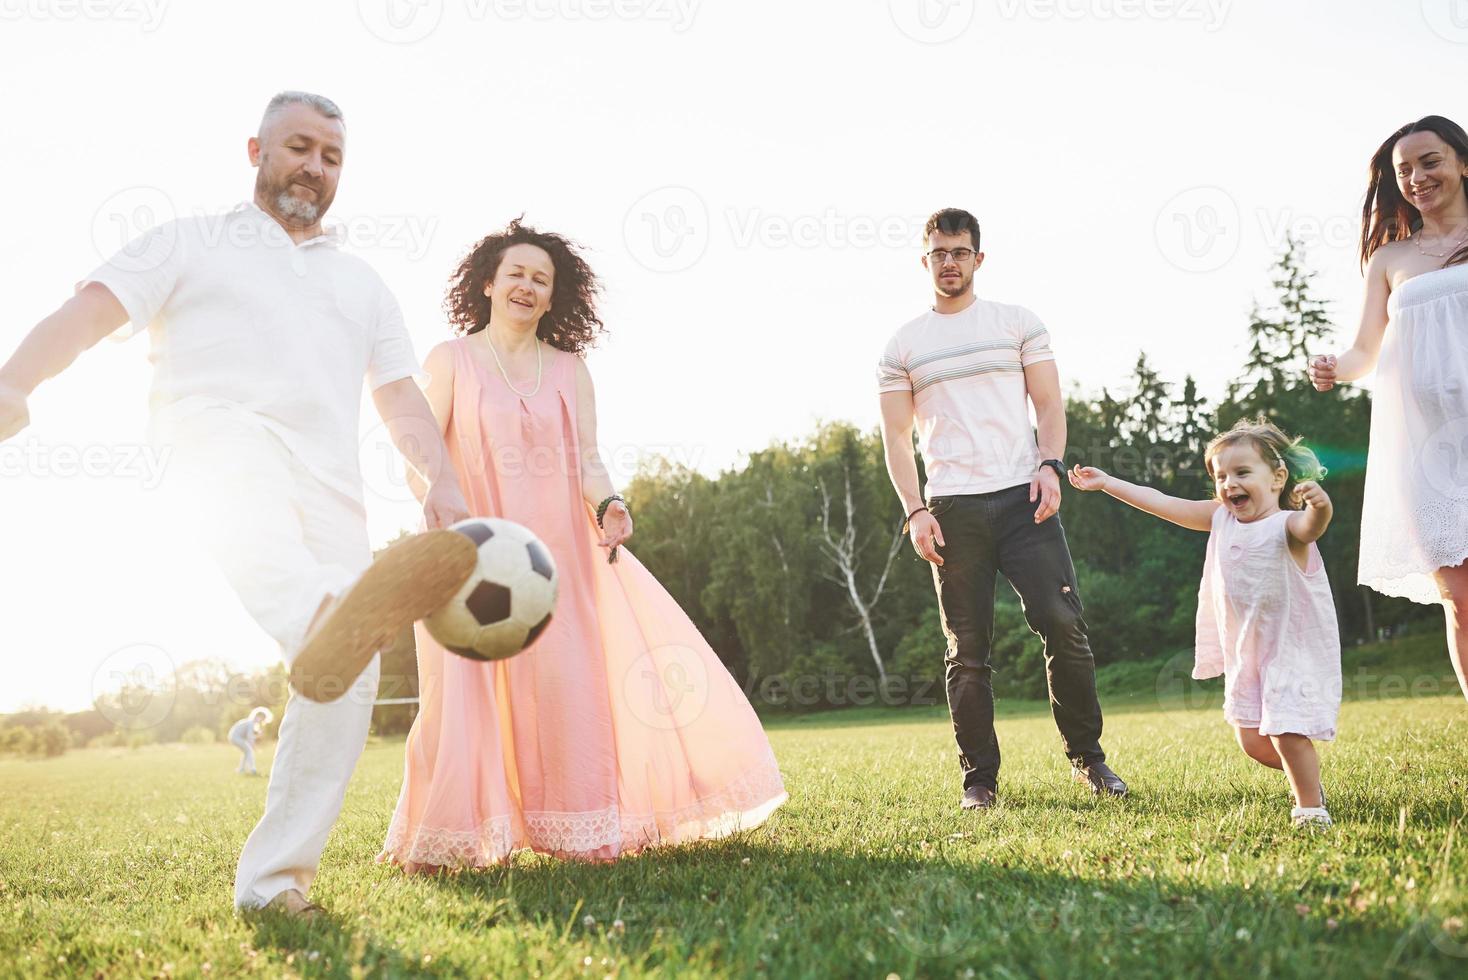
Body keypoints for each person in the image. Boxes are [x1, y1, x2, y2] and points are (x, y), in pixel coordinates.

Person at [0, 92, 476, 917]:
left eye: (332, 158)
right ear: (255, 149)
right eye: (299, 147)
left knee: (352, 670)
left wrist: (441, 479)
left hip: (331, 490)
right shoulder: (190, 240)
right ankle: (323, 614)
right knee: (299, 576)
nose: (315, 168)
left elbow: (399, 397)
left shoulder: (361, 283)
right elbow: (88, 314)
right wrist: (14, 378)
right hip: (213, 441)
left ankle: (273, 886)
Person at [377, 219, 786, 870]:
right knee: (466, 695)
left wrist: (609, 504)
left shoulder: (571, 370)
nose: (527, 286)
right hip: (468, 554)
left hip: (558, 560)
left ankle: (577, 831)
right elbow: (421, 447)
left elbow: (588, 460)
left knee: (566, 691)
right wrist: (432, 492)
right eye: (515, 273)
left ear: (553, 296)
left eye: (541, 279)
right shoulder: (450, 359)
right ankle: (458, 838)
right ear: (487, 282)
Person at [877, 207, 1125, 811]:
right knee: (967, 649)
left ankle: (1089, 761)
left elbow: (1049, 403)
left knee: (1063, 625)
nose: (950, 262)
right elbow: (895, 439)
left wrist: (1050, 466)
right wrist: (915, 511)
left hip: (1024, 500)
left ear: (978, 258)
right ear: (925, 259)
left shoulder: (1017, 324)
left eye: (960, 252)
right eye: (939, 252)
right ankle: (979, 781)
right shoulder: (903, 345)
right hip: (952, 507)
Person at [1068, 419, 1340, 828]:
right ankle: (1309, 782)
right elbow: (1161, 501)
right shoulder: (1220, 519)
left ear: (1277, 477)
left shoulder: (1287, 526)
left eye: (1242, 472)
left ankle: (1310, 809)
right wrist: (1109, 482)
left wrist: (1319, 505)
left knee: (1285, 731)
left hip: (1290, 648)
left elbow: (1311, 525)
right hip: (1248, 652)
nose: (1229, 483)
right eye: (1221, 476)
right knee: (1251, 741)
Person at [1308, 114, 1468, 703]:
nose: (1418, 177)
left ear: (1462, 162)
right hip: (1425, 450)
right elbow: (1363, 353)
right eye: (1404, 170)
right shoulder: (1390, 259)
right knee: (1459, 598)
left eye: (1430, 162)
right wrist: (1334, 368)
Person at [229, 707, 274, 776]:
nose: (262, 721)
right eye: (262, 718)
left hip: (234, 737)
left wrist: (257, 735)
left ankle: (241, 769)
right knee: (249, 751)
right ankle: (253, 769)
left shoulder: (250, 722)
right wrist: (255, 746)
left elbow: (250, 736)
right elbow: (249, 737)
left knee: (246, 752)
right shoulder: (250, 723)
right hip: (235, 737)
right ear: (258, 716)